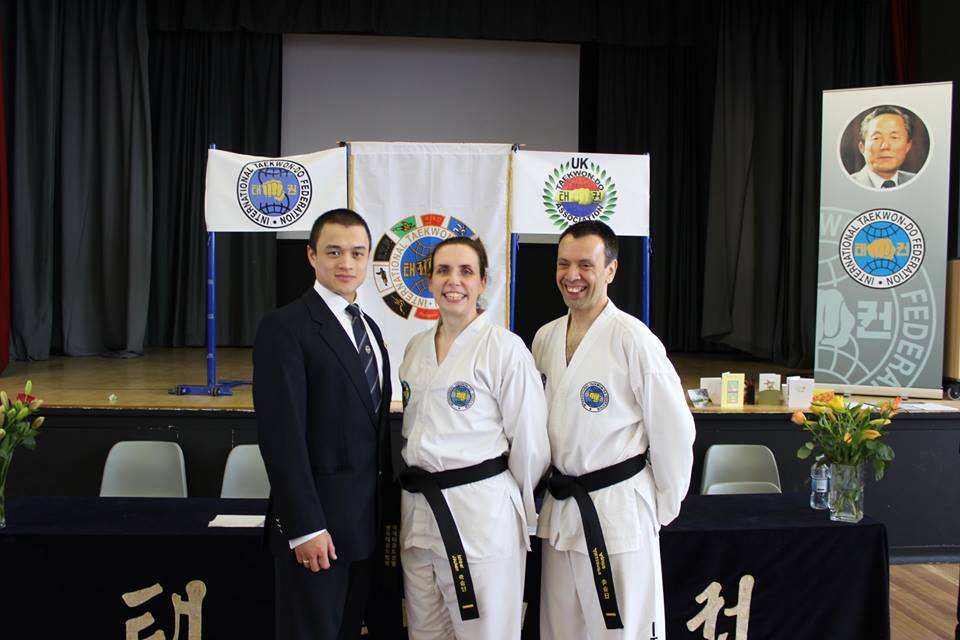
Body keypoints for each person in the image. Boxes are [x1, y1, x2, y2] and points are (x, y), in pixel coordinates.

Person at [533, 220, 695, 639]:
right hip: (562, 509)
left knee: (622, 631)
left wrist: (660, 505)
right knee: (559, 629)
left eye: (586, 265)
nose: (572, 276)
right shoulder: (545, 338)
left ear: (610, 270)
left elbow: (674, 432)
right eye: (563, 264)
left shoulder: (634, 339)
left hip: (618, 510)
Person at [398, 236, 550, 639]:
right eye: (444, 270)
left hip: (481, 519)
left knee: (486, 633)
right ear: (428, 282)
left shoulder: (505, 348)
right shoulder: (415, 349)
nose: (454, 281)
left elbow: (531, 444)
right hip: (419, 514)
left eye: (466, 271)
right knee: (425, 631)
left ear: (483, 283)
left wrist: (502, 503)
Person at [253, 208, 392, 640]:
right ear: (311, 256)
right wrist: (306, 526)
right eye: (333, 252)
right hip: (317, 535)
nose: (346, 263)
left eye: (357, 253)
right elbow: (282, 437)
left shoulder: (369, 328)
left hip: (364, 530)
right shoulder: (285, 327)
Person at [850, 106, 916, 189]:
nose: (885, 146)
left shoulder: (920, 183)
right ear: (862, 147)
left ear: (908, 146)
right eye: (876, 138)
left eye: (894, 137)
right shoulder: (845, 185)